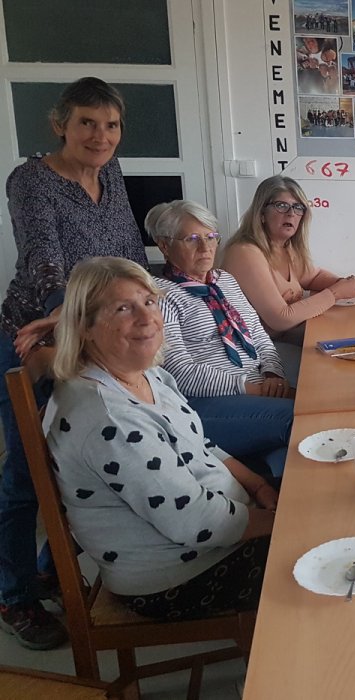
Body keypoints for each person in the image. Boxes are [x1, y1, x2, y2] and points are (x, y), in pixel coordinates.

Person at [43, 257, 276, 622]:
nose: (147, 317)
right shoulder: (108, 418)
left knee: (323, 498)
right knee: (323, 550)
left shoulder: (147, 374)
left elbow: (201, 444)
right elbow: (196, 522)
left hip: (222, 528)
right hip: (179, 574)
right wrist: (280, 522)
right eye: (123, 308)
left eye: (149, 302)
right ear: (85, 327)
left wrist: (260, 486)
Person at [0, 77, 148, 650]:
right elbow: (45, 266)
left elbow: (128, 253)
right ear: (60, 123)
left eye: (111, 125)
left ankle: (48, 568)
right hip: (32, 336)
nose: (100, 136)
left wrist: (148, 308)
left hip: (95, 337)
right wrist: (68, 318)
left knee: (80, 464)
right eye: (87, 122)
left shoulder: (110, 174)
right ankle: (14, 596)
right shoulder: (31, 180)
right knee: (26, 474)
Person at [146, 201, 294, 479]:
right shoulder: (160, 296)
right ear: (164, 246)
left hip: (257, 390)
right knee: (297, 417)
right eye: (192, 239)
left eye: (211, 237)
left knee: (294, 452)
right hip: (205, 404)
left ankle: (282, 500)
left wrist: (273, 372)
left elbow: (258, 336)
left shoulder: (225, 281)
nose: (206, 248)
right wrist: (256, 389)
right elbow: (180, 373)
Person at [220, 175, 355, 356]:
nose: (291, 214)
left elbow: (312, 276)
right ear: (262, 213)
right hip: (259, 353)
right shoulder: (244, 252)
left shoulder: (283, 246)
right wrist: (336, 293)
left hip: (286, 337)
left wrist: (344, 283)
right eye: (281, 206)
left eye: (298, 208)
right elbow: (280, 319)